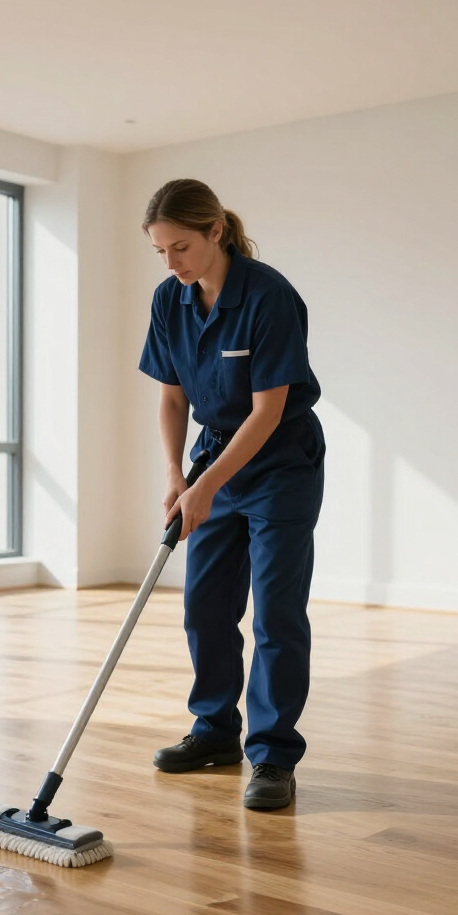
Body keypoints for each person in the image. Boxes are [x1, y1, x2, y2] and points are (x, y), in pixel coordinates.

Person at [138, 179, 325, 810]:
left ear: (216, 231)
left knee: (275, 613)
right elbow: (171, 395)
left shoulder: (268, 296)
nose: (172, 263)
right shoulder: (172, 299)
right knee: (207, 605)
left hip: (280, 465)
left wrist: (205, 485)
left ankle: (272, 756)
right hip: (213, 456)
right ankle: (215, 731)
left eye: (181, 247)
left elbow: (268, 411)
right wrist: (175, 475)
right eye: (162, 251)